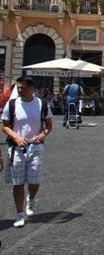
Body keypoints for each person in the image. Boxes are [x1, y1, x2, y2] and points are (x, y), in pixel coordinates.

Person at [2, 76, 52, 228]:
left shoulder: (41, 104)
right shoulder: (12, 105)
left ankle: (31, 197)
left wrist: (42, 135)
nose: (20, 90)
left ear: (31, 89)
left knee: (34, 181)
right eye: (18, 88)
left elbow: (49, 126)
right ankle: (19, 214)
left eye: (23, 88)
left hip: (35, 147)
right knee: (18, 183)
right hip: (16, 148)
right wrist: (16, 136)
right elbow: (5, 126)